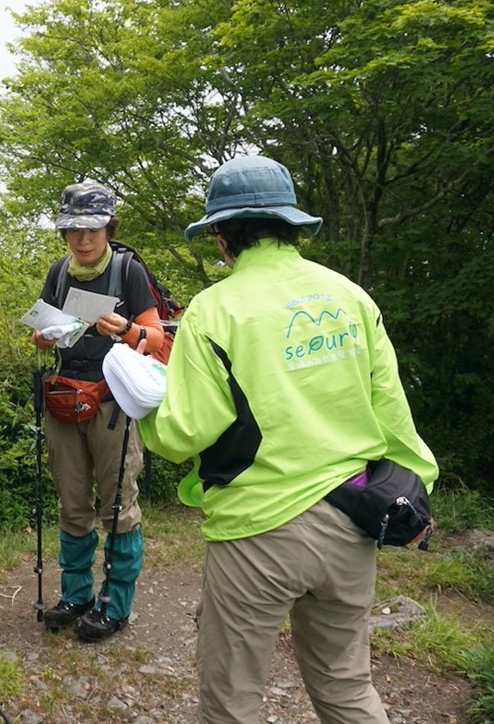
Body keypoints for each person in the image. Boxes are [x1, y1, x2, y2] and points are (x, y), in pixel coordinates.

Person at [138, 155, 439, 723]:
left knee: (232, 701)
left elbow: (186, 433)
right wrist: (410, 493)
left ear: (223, 236)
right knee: (347, 689)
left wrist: (146, 410)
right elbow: (395, 421)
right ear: (290, 225)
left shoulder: (213, 310)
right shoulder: (351, 297)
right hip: (354, 520)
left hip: (259, 531)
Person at [31, 182, 172, 642]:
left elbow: (160, 342)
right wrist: (43, 337)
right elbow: (42, 331)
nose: (83, 239)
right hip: (65, 400)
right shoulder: (58, 272)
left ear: (108, 226)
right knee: (72, 504)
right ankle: (76, 595)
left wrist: (128, 329)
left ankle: (115, 604)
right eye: (73, 230)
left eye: (92, 228)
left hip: (114, 404)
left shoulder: (129, 270)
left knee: (117, 506)